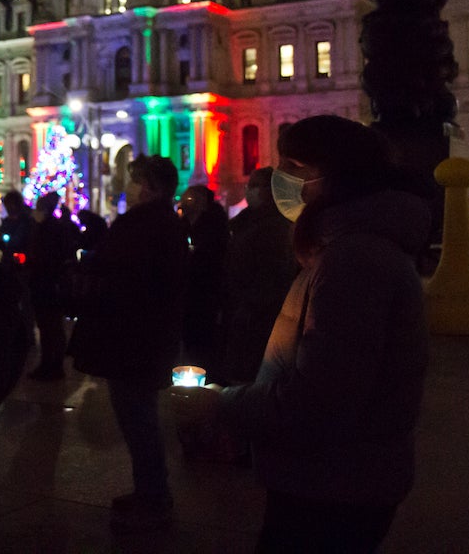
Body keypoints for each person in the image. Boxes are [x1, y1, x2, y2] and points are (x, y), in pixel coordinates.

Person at [172, 115, 430, 553]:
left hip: (333, 484)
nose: (280, 180)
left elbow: (321, 399)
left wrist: (221, 403)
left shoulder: (354, 262)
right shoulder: (343, 251)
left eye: (293, 166)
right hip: (333, 475)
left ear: (335, 177)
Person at [67, 154, 188, 532]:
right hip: (144, 338)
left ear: (149, 186)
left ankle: (153, 499)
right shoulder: (164, 223)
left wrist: (91, 276)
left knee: (139, 421)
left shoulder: (145, 225)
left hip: (132, 338)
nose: (127, 186)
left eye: (133, 180)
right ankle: (150, 492)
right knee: (139, 419)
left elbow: (125, 279)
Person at [219, 167, 297, 385]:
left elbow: (271, 277)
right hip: (240, 312)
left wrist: (248, 306)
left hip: (256, 319)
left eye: (254, 185)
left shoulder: (273, 229)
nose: (248, 190)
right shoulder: (247, 223)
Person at [26, 191, 79, 380]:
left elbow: (47, 257)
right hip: (49, 282)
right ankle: (52, 364)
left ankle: (51, 365)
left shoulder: (49, 228)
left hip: (47, 283)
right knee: (51, 327)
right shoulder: (53, 226)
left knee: (50, 327)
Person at [178, 184, 229, 373]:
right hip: (190, 296)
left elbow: (209, 262)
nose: (185, 203)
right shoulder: (186, 225)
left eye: (190, 200)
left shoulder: (212, 227)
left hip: (205, 296)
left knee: (202, 343)